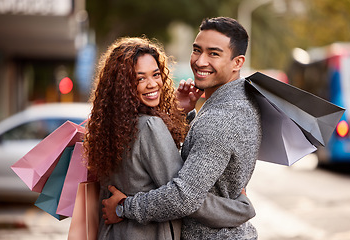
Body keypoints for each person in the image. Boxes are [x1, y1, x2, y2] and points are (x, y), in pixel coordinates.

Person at [102, 17, 262, 239]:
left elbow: (184, 196)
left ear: (237, 62)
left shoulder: (220, 118)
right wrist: (182, 116)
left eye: (214, 54)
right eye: (197, 50)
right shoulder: (236, 104)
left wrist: (124, 207)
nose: (200, 61)